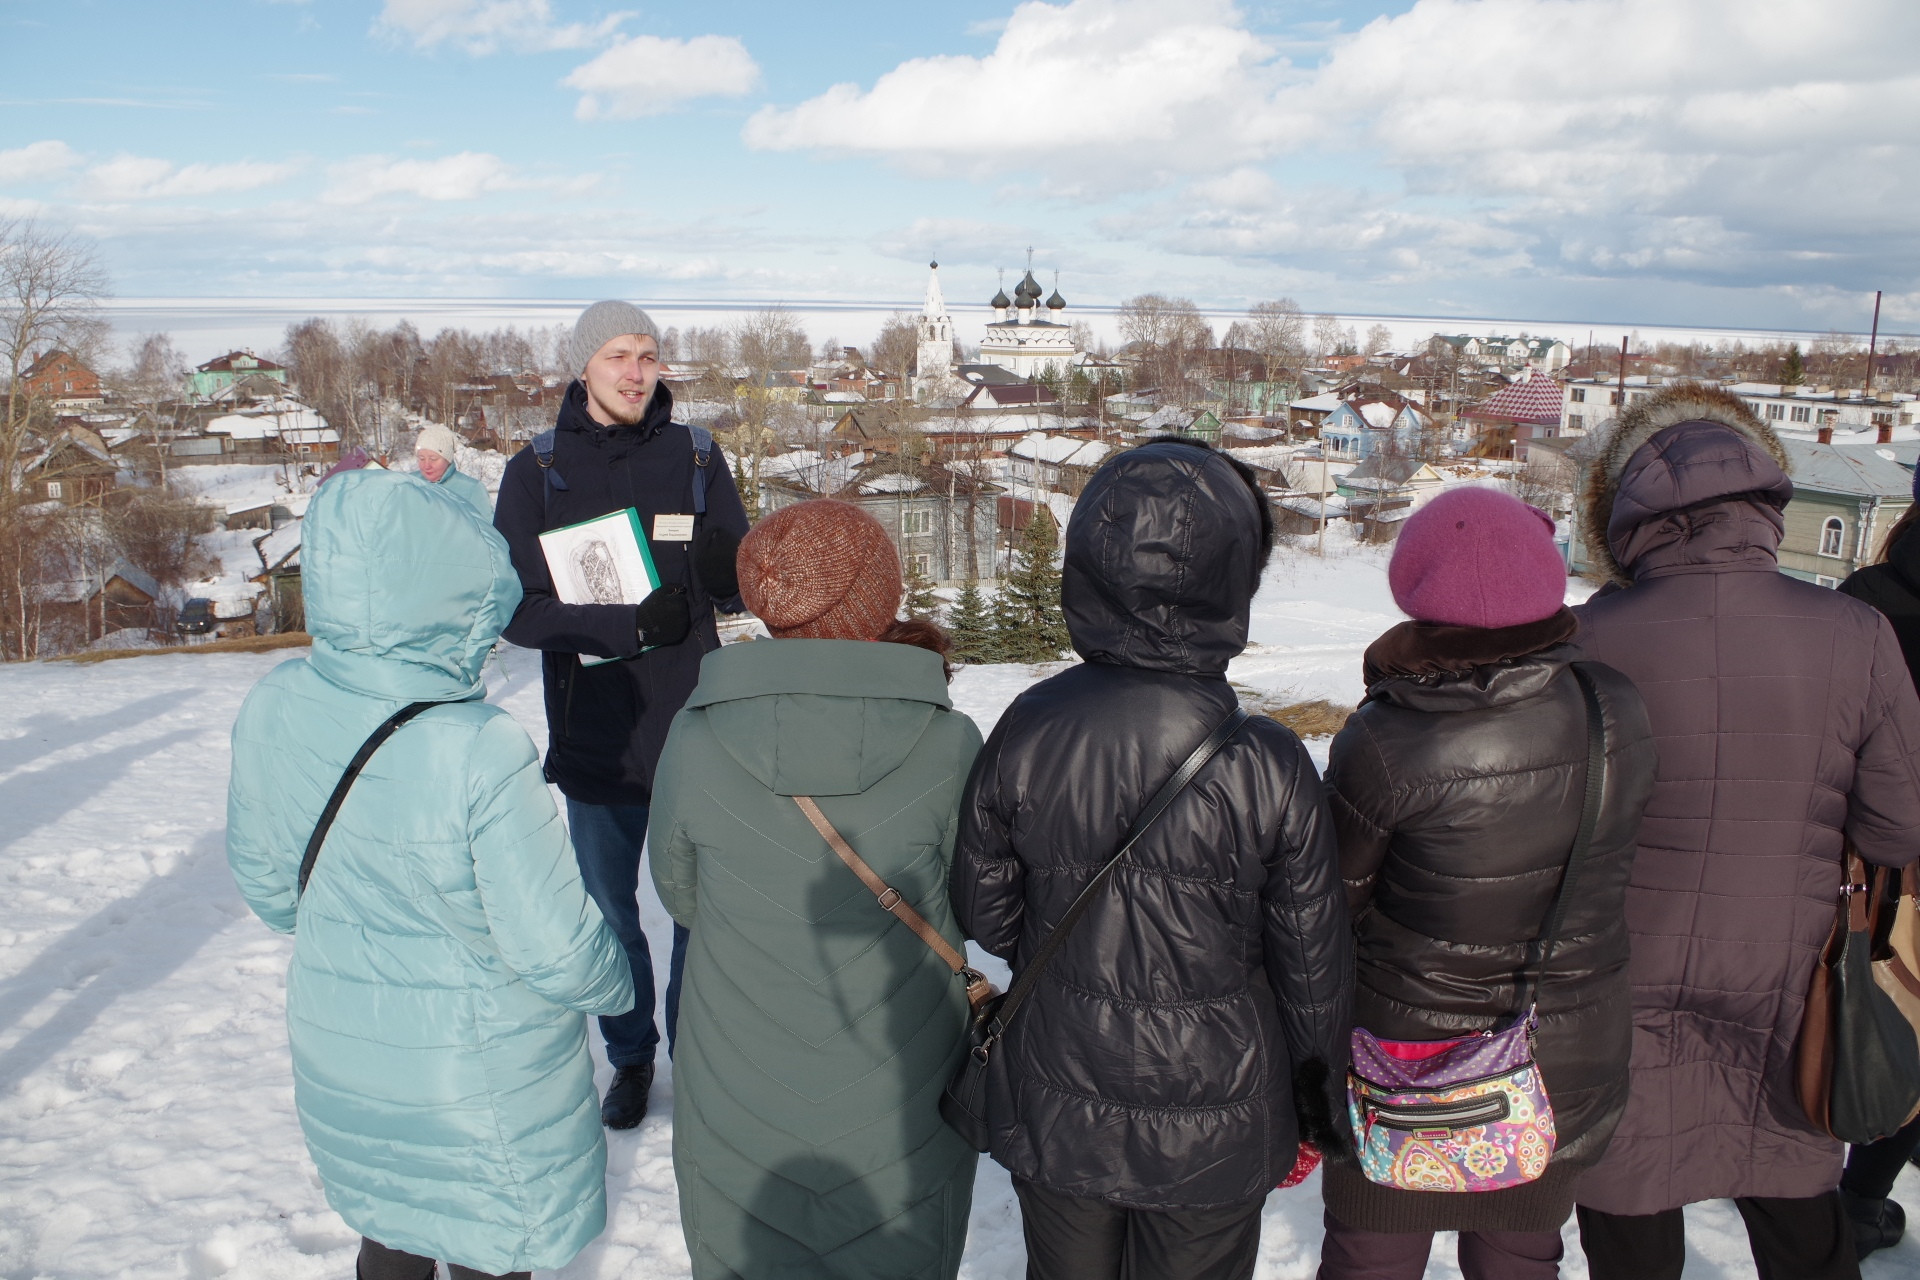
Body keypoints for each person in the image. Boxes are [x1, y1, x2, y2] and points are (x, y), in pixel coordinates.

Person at [951, 438, 1353, 1280]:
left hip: (1061, 1082)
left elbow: (984, 908)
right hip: (1217, 1105)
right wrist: (1315, 1096)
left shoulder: (1030, 723)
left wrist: (1072, 949)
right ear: (1234, 577)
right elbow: (1311, 966)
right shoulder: (1269, 759)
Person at [226, 467, 634, 1280]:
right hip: (476, 1075)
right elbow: (553, 946)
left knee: (391, 1231)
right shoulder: (477, 745)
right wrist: (617, 986)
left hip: (346, 1051)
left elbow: (271, 893)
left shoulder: (276, 704)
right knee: (487, 1247)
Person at [1567, 384, 1920, 1280]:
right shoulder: (1857, 630)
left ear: (1634, 521)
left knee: (1631, 1190)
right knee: (1792, 1188)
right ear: (1766, 506)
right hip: (1793, 968)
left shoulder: (1584, 637)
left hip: (1624, 967)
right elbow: (1898, 825)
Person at [1316, 487, 1657, 1280]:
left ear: (1416, 587)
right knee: (1520, 1257)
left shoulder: (1389, 738)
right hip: (1559, 1050)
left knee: (1372, 1258)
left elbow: (1332, 904)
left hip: (1406, 1062)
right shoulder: (1615, 705)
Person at [648, 499, 983, 1278]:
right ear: (880, 596)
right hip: (902, 1061)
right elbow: (970, 900)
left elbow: (681, 894)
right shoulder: (947, 740)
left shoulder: (695, 736)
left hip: (737, 1064)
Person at [493, 300, 751, 1129]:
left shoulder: (698, 456)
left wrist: (731, 574)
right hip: (597, 738)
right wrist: (625, 625)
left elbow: (739, 585)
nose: (636, 373)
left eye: (647, 355)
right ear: (582, 366)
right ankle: (632, 1057)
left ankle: (696, 1053)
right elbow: (515, 609)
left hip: (697, 733)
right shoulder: (538, 472)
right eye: (617, 355)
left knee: (699, 913)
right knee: (611, 918)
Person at [1833, 481, 1920, 1259]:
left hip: (1882, 856)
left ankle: (1860, 1200)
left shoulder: (1869, 600)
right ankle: (1862, 1198)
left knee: (1890, 1016)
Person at [415, 421, 491, 518]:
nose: (427, 466)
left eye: (433, 459)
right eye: (421, 458)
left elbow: (486, 525)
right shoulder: (409, 484)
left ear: (448, 459)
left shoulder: (472, 489)